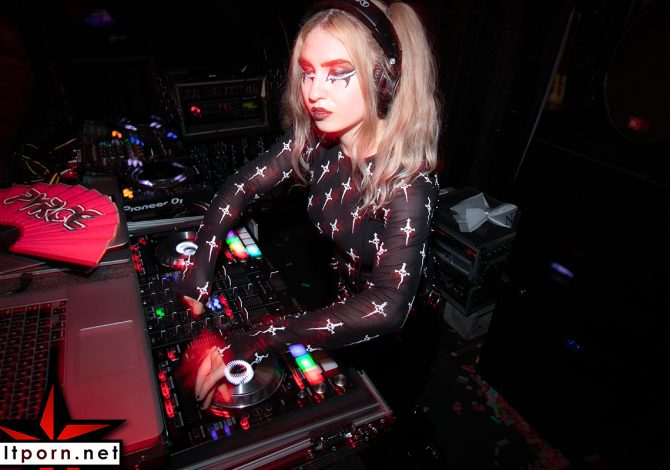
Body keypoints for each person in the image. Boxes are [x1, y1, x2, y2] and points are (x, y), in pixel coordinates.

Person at [175, 0, 441, 410]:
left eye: (338, 74)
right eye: (308, 73)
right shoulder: (317, 141)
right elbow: (240, 187)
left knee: (387, 414)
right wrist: (200, 266)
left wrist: (259, 337)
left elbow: (389, 306)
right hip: (338, 305)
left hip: (397, 336)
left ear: (383, 80)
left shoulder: (411, 183)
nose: (315, 92)